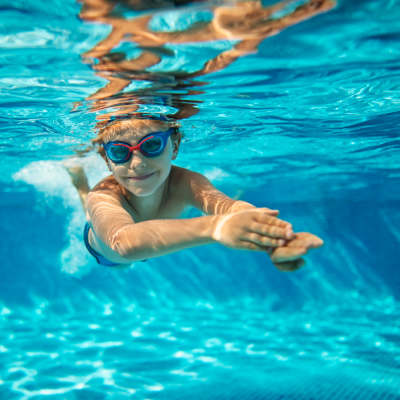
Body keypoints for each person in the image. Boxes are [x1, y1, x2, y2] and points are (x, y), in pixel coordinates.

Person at [66, 116, 323, 272]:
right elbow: (124, 243)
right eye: (120, 152)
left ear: (174, 145)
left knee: (135, 260)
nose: (137, 163)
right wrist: (216, 228)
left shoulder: (187, 182)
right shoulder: (104, 195)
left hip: (148, 247)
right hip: (106, 252)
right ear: (107, 160)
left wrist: (274, 240)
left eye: (152, 145)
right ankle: (80, 182)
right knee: (94, 215)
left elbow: (228, 208)